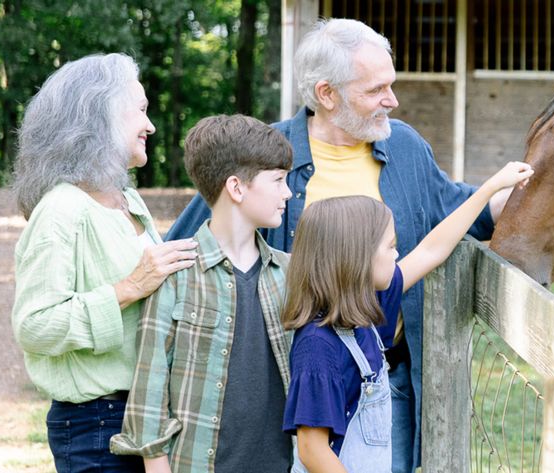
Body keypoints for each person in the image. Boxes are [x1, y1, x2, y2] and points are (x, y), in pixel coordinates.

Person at [163, 19, 509, 470]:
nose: (393, 100)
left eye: (392, 84)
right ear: (326, 94)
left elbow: (455, 211)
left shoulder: (403, 145)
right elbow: (191, 246)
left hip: (380, 372)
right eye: (376, 89)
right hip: (291, 379)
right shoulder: (265, 153)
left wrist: (533, 191)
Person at [10, 53, 199, 473]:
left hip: (144, 415)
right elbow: (34, 325)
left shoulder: (127, 200)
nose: (150, 125)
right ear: (103, 117)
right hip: (95, 426)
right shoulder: (61, 210)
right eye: (142, 111)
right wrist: (129, 288)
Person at [282, 162, 532, 473]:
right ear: (356, 260)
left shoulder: (367, 310)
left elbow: (432, 249)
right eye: (390, 247)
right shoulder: (318, 348)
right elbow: (312, 449)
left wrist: (489, 189)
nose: (397, 254)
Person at [109, 115, 296, 472]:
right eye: (278, 180)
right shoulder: (175, 273)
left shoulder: (288, 273)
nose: (287, 192)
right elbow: (149, 391)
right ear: (237, 188)